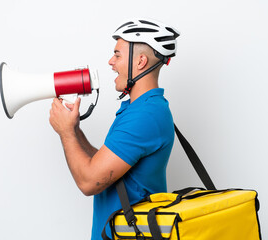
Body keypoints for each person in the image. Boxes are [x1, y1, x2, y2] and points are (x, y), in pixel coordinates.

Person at [49, 18, 180, 240]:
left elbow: (89, 182)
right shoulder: (139, 109)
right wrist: (75, 129)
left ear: (140, 62)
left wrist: (66, 132)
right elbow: (102, 164)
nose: (111, 61)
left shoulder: (144, 116)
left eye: (117, 55)